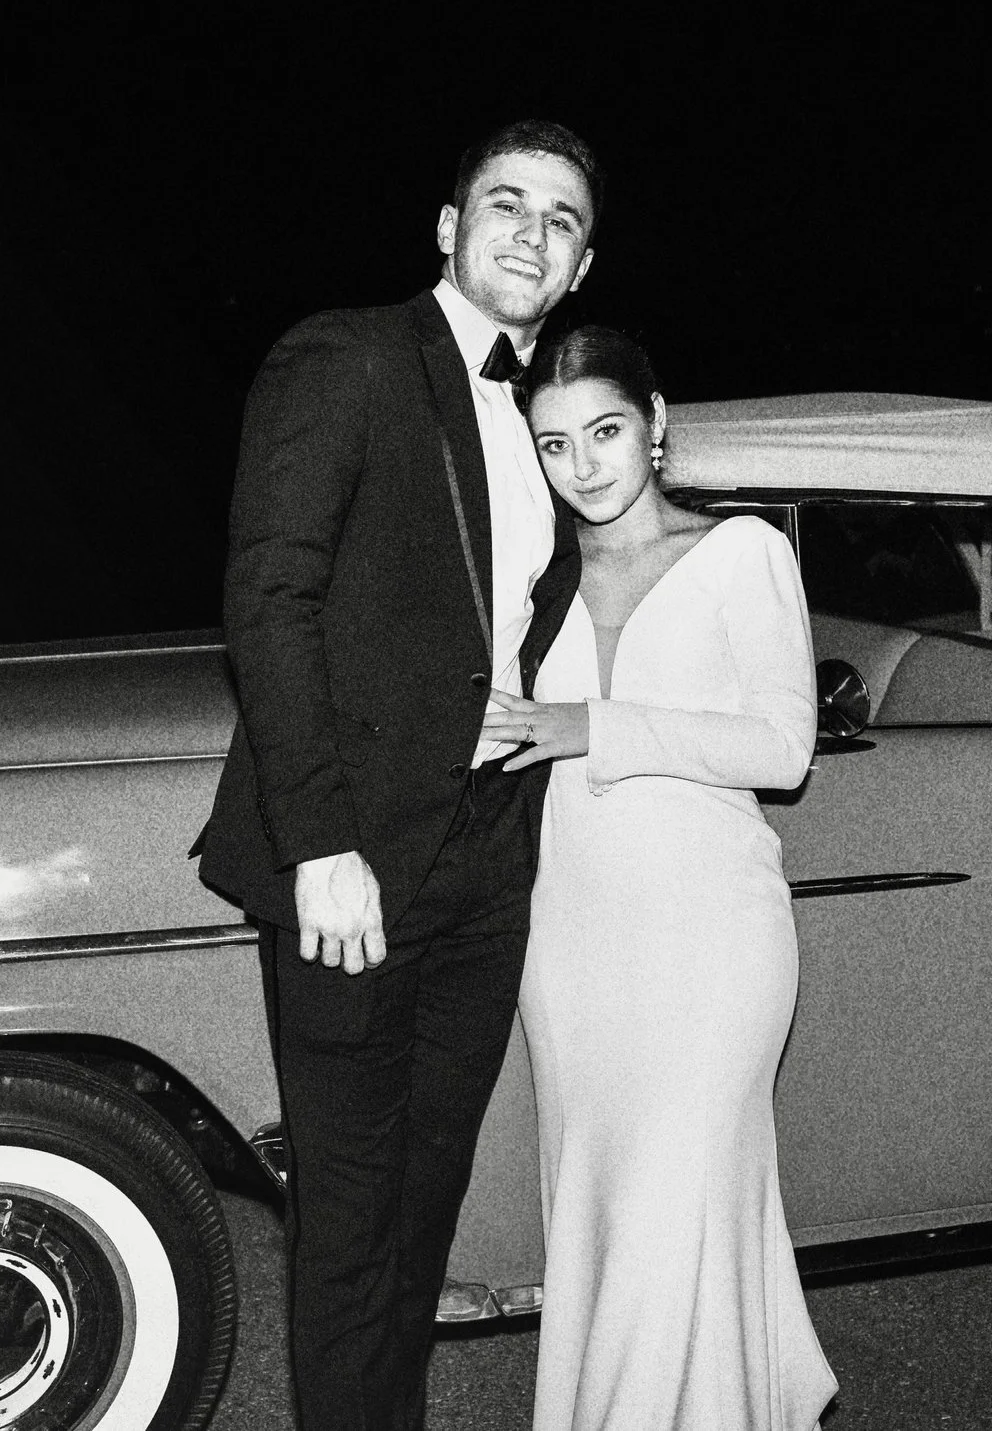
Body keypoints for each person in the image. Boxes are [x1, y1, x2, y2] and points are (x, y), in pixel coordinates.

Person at [197, 120, 601, 1430]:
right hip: (355, 862)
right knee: (354, 1208)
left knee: (426, 1201)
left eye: (561, 219)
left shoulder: (560, 420)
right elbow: (272, 595)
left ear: (583, 264)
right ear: (447, 225)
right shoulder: (351, 357)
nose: (531, 233)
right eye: (508, 203)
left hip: (489, 858)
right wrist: (319, 841)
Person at [482, 326, 839, 1431]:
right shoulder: (531, 580)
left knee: (674, 1198)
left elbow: (782, 748)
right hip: (571, 934)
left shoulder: (741, 551)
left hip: (711, 930)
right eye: (553, 444)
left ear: (656, 422)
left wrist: (587, 724)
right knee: (597, 1206)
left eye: (603, 431)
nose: (583, 464)